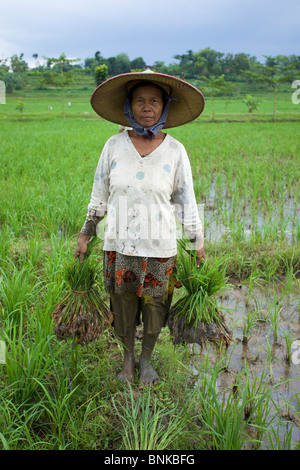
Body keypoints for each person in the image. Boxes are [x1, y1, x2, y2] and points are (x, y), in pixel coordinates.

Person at [75, 71, 205, 386]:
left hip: (160, 249)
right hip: (119, 246)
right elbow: (99, 197)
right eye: (140, 100)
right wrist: (85, 234)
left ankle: (146, 360)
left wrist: (197, 240)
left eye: (154, 101)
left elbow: (186, 200)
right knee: (122, 308)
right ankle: (128, 358)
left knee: (155, 311)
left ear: (165, 107)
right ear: (129, 106)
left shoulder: (175, 151)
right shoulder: (113, 146)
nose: (147, 107)